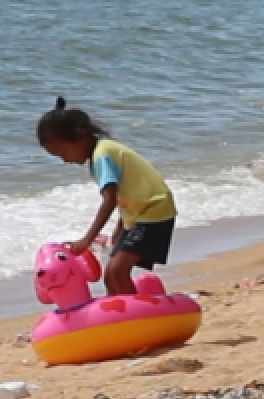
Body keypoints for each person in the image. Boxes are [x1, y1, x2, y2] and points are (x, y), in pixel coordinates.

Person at [37, 98, 177, 297]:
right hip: (141, 213)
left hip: (153, 211)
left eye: (63, 152)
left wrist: (88, 239)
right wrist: (123, 225)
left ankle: (133, 318)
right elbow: (130, 190)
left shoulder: (102, 155)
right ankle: (118, 314)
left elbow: (110, 199)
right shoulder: (101, 153)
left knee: (117, 271)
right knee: (111, 275)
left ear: (80, 136)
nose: (65, 160)